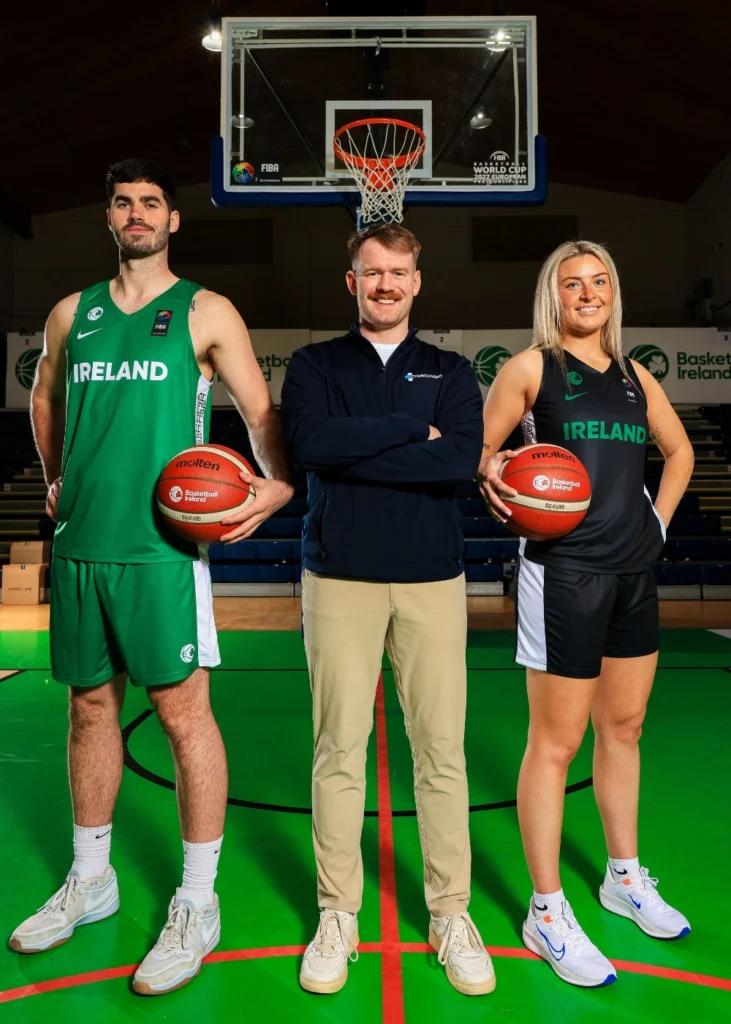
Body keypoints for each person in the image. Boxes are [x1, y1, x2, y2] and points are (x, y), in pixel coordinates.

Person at [10, 158, 293, 995]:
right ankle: (91, 883)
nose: (137, 214)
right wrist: (58, 476)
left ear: (173, 221)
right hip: (81, 544)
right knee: (89, 709)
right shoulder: (73, 314)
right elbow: (45, 399)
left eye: (151, 204)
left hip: (163, 551)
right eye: (124, 203)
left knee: (182, 716)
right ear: (109, 217)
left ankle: (197, 901)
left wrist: (273, 483)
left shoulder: (206, 311)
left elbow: (261, 410)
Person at [280, 223, 494, 998]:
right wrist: (410, 430)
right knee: (338, 749)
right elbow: (309, 444)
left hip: (432, 579)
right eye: (372, 273)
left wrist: (367, 447)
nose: (385, 285)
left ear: (416, 281)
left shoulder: (449, 369)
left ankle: (449, 914)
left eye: (398, 273)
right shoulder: (312, 364)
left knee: (440, 753)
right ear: (351, 282)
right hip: (337, 577)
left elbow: (458, 460)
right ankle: (338, 914)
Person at [479, 240, 694, 988]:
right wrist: (503, 488)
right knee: (555, 741)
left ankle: (623, 877)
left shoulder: (636, 377)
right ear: (553, 295)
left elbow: (679, 453)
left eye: (599, 280)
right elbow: (483, 458)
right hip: (562, 573)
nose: (587, 293)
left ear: (613, 292)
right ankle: (545, 912)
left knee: (624, 727)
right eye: (572, 283)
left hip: (634, 568)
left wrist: (657, 525)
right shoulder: (533, 369)